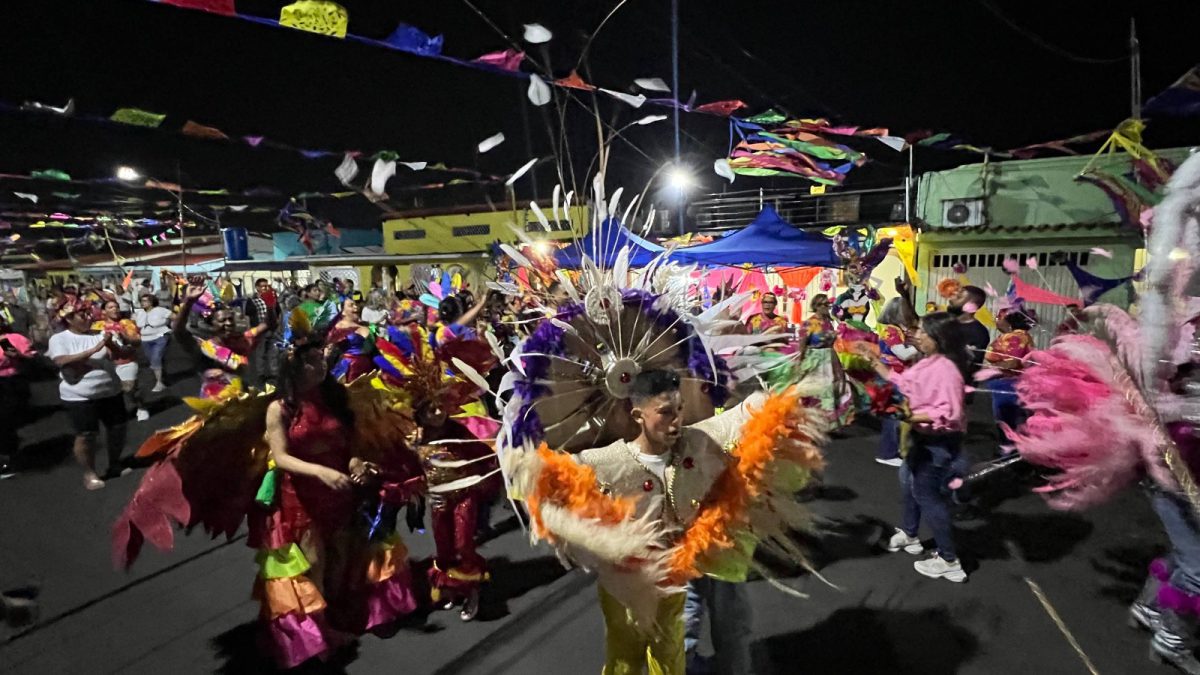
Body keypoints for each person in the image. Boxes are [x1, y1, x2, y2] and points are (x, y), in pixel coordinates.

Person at [860, 312, 969, 582]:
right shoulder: (928, 362)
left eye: (922, 331)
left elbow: (949, 414)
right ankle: (910, 535)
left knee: (927, 496)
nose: (916, 335)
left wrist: (908, 416)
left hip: (938, 444)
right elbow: (904, 382)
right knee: (907, 481)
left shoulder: (946, 370)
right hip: (922, 439)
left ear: (938, 337)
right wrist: (873, 361)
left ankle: (949, 560)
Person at [46, 297, 127, 490]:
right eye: (82, 314)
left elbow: (120, 355)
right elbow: (61, 360)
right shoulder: (60, 338)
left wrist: (112, 344)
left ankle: (114, 463)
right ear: (69, 319)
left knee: (117, 428)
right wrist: (95, 349)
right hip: (80, 396)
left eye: (89, 313)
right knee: (86, 434)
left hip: (110, 391)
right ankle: (89, 472)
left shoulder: (100, 332)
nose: (88, 317)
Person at [173, 282, 268, 399]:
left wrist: (271, 305)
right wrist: (189, 302)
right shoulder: (204, 347)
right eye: (222, 320)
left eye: (230, 319)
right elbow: (178, 332)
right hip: (215, 406)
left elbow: (268, 325)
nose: (228, 323)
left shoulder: (244, 339)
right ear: (212, 324)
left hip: (243, 402)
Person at [795, 294, 852, 428]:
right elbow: (802, 345)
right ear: (816, 306)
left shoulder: (828, 322)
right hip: (815, 360)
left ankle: (829, 424)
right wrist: (800, 364)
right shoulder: (809, 323)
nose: (827, 307)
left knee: (833, 389)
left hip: (830, 358)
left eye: (828, 304)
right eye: (824, 304)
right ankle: (814, 423)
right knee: (818, 391)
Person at [983, 307, 1035, 455]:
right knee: (1014, 423)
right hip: (1012, 385)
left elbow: (1012, 363)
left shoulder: (1014, 337)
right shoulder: (1021, 336)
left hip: (1008, 386)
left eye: (999, 318)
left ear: (1008, 321)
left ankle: (1009, 457)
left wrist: (990, 369)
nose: (996, 321)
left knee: (1008, 425)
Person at [875, 297, 920, 467]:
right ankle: (887, 453)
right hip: (890, 376)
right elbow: (902, 354)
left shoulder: (901, 330)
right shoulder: (891, 331)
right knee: (893, 415)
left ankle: (896, 450)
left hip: (899, 376)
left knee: (899, 414)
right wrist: (921, 345)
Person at [94, 299, 148, 421]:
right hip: (106, 363)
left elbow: (137, 341)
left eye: (116, 307)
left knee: (129, 388)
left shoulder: (126, 323)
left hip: (126, 360)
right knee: (111, 391)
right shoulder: (98, 326)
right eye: (110, 307)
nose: (115, 309)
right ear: (104, 311)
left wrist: (124, 337)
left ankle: (141, 407)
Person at [0, 316, 35, 477]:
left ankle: (10, 457)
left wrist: (17, 356)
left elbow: (33, 359)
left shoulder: (14, 339)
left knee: (7, 422)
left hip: (12, 383)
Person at [244, 278, 281, 389]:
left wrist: (277, 322)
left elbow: (278, 312)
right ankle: (261, 374)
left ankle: (273, 373)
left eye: (266, 286)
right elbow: (248, 316)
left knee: (273, 351)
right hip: (259, 330)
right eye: (262, 286)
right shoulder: (253, 301)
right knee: (260, 352)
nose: (265, 288)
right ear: (257, 287)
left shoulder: (273, 299)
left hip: (272, 329)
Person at [947, 284, 991, 377]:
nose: (951, 298)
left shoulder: (978, 333)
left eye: (958, 297)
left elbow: (967, 366)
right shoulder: (944, 321)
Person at [328, 297, 375, 382]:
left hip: (369, 367)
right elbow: (330, 350)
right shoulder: (338, 327)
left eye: (356, 304)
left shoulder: (365, 325)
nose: (356, 307)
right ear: (343, 311)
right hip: (350, 368)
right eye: (351, 305)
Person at [134, 294, 173, 393]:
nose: (143, 303)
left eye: (145, 301)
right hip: (145, 339)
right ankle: (163, 376)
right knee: (153, 360)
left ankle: (159, 383)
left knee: (156, 358)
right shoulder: (139, 312)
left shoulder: (161, 310)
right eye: (142, 301)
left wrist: (171, 327)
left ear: (151, 302)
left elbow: (175, 317)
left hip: (160, 336)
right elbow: (135, 325)